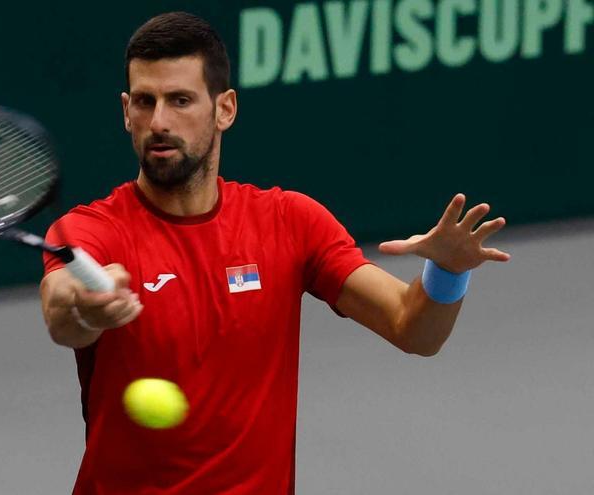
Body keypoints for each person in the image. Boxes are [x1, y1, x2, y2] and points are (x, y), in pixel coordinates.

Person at [39, 11, 510, 495]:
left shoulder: (289, 221)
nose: (158, 121)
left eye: (180, 100)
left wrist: (448, 272)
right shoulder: (91, 231)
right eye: (144, 101)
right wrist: (86, 306)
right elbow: (62, 309)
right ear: (125, 111)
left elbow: (414, 330)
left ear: (225, 109)